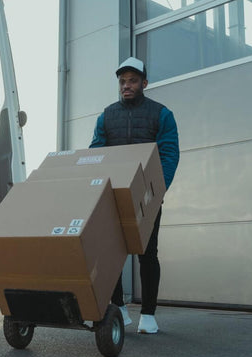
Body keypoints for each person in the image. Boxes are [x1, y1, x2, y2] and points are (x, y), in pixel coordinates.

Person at [90, 57, 179, 334]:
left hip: (147, 197)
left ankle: (149, 315)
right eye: (122, 81)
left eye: (132, 80)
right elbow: (96, 152)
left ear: (144, 83)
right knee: (111, 253)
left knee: (147, 253)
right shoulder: (106, 115)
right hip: (113, 196)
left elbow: (169, 153)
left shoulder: (161, 114)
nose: (126, 86)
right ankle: (119, 308)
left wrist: (157, 190)